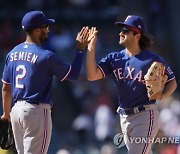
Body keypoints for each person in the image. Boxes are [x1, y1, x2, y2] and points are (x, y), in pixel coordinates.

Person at [86, 15, 177, 154]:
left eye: (125, 30)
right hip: (124, 117)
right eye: (121, 30)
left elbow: (172, 82)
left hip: (145, 115)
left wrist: (162, 95)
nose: (120, 33)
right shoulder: (114, 58)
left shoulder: (152, 59)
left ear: (137, 35)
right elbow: (92, 75)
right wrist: (91, 49)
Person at [1, 10, 89, 154]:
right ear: (36, 30)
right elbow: (72, 74)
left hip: (16, 111)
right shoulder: (45, 56)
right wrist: (80, 49)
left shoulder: (12, 54)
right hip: (35, 112)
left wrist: (6, 113)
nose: (48, 30)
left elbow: (5, 87)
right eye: (45, 27)